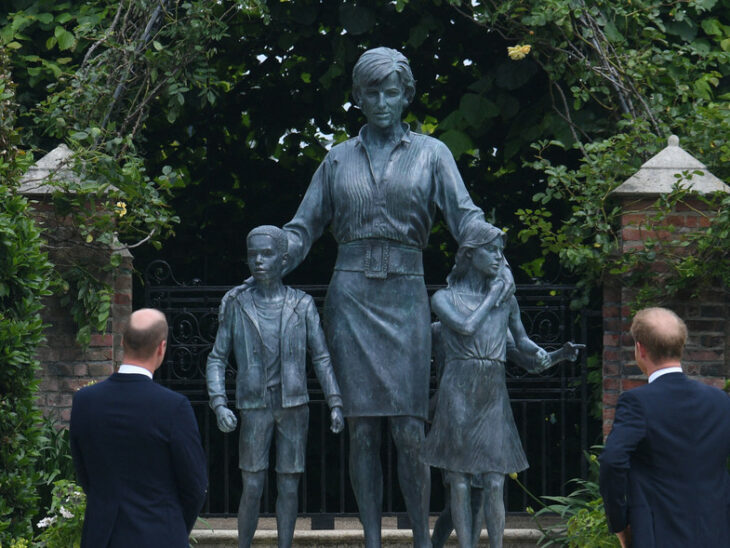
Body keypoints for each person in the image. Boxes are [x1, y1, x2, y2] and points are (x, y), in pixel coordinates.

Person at [269, 46, 513, 548]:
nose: (382, 101)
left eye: (391, 91)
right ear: (358, 96)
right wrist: (276, 255)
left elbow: (464, 216)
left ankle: (422, 539)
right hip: (351, 297)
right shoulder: (337, 158)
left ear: (406, 95)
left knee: (409, 427)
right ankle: (374, 540)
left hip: (405, 295)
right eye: (372, 91)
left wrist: (491, 243)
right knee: (361, 430)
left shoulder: (432, 154)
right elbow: (303, 228)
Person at [422, 221, 582, 548]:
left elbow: (524, 347)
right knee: (460, 480)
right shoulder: (443, 298)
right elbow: (466, 327)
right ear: (469, 254)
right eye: (491, 250)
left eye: (501, 252)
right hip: (457, 391)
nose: (498, 258)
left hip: (492, 392)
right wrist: (494, 295)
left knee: (495, 480)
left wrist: (555, 355)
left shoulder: (507, 302)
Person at [206, 225, 344, 548]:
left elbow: (321, 357)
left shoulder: (303, 305)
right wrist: (219, 403)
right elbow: (216, 358)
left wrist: (335, 401)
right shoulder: (238, 306)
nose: (258, 261)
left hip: (294, 405)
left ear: (283, 260)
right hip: (254, 406)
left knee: (289, 485)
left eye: (266, 254)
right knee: (252, 485)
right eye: (253, 254)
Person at [70, 308, 207, 548]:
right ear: (161, 348)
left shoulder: (85, 401)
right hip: (161, 537)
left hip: (102, 537)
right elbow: (194, 486)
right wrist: (172, 526)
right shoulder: (174, 407)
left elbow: (84, 474)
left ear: (122, 342)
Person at [599, 307, 730, 548]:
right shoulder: (721, 401)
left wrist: (619, 523)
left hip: (657, 535)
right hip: (717, 533)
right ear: (681, 345)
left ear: (640, 349)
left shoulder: (637, 402)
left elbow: (612, 460)